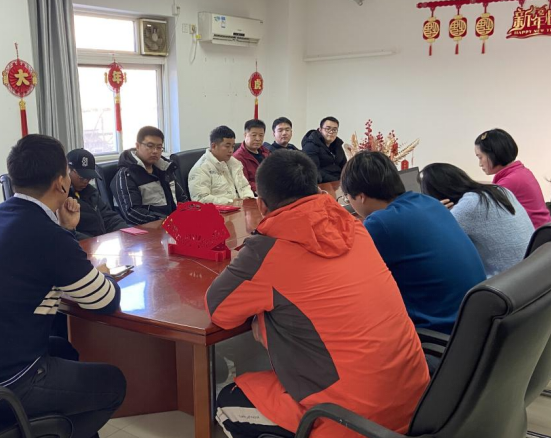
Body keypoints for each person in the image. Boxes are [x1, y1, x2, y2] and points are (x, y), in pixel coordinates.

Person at [207, 150, 429, 438]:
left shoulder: (268, 248)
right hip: (416, 401)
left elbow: (219, 311)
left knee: (227, 399)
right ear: (315, 189)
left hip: (351, 420)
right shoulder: (356, 228)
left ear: (261, 205)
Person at [0, 135, 126, 438]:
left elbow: (31, 267)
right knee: (113, 382)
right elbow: (105, 301)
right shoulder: (47, 235)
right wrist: (104, 275)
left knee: (64, 348)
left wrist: (64, 230)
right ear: (61, 183)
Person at [341, 151, 486, 334]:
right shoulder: (429, 202)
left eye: (347, 197)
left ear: (361, 197)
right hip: (476, 320)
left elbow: (351, 279)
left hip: (440, 332)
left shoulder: (380, 223)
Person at [420, 163, 534, 278]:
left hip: (507, 281)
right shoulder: (500, 190)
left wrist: (435, 212)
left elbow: (432, 243)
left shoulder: (469, 205)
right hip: (533, 269)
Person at [474, 128, 551, 228]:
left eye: (480, 157)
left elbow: (477, 209)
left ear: (493, 154)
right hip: (542, 231)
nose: (480, 164)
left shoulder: (510, 181)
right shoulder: (519, 172)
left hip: (533, 234)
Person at [111, 126, 188, 225]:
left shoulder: (165, 169)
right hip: (146, 228)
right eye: (150, 146)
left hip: (172, 224)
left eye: (159, 147)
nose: (155, 151)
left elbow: (182, 198)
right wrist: (165, 221)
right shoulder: (126, 175)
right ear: (138, 146)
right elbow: (131, 213)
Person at [67, 148, 128, 239]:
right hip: (84, 244)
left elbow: (109, 217)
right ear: (67, 170)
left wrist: (126, 232)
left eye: (89, 177)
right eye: (82, 177)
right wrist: (93, 241)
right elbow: (68, 232)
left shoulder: (91, 193)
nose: (86, 181)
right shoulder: (61, 197)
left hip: (100, 242)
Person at [188, 126, 254, 205]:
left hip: (241, 208)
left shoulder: (234, 163)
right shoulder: (201, 169)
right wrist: (231, 202)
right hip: (220, 211)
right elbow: (200, 199)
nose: (231, 150)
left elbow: (244, 186)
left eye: (233, 146)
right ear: (213, 146)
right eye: (227, 146)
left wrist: (248, 198)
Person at [301, 116, 347, 183]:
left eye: (334, 130)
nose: (331, 132)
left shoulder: (337, 144)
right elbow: (313, 171)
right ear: (320, 130)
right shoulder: (310, 146)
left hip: (339, 182)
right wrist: (336, 180)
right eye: (328, 129)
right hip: (321, 183)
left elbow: (344, 166)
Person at [233, 119, 271, 192]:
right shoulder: (238, 158)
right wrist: (266, 188)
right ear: (245, 135)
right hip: (255, 193)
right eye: (254, 135)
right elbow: (244, 183)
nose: (258, 139)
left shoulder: (266, 152)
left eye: (261, 135)